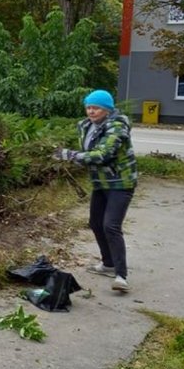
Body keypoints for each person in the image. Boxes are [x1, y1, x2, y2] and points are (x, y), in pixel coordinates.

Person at [54, 89, 137, 293]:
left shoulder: (117, 126)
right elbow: (88, 152)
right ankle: (108, 263)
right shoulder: (86, 126)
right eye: (89, 107)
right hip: (101, 183)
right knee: (95, 222)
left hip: (121, 182)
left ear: (107, 110)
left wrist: (70, 155)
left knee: (111, 225)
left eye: (96, 108)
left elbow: (103, 154)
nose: (91, 111)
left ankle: (121, 275)